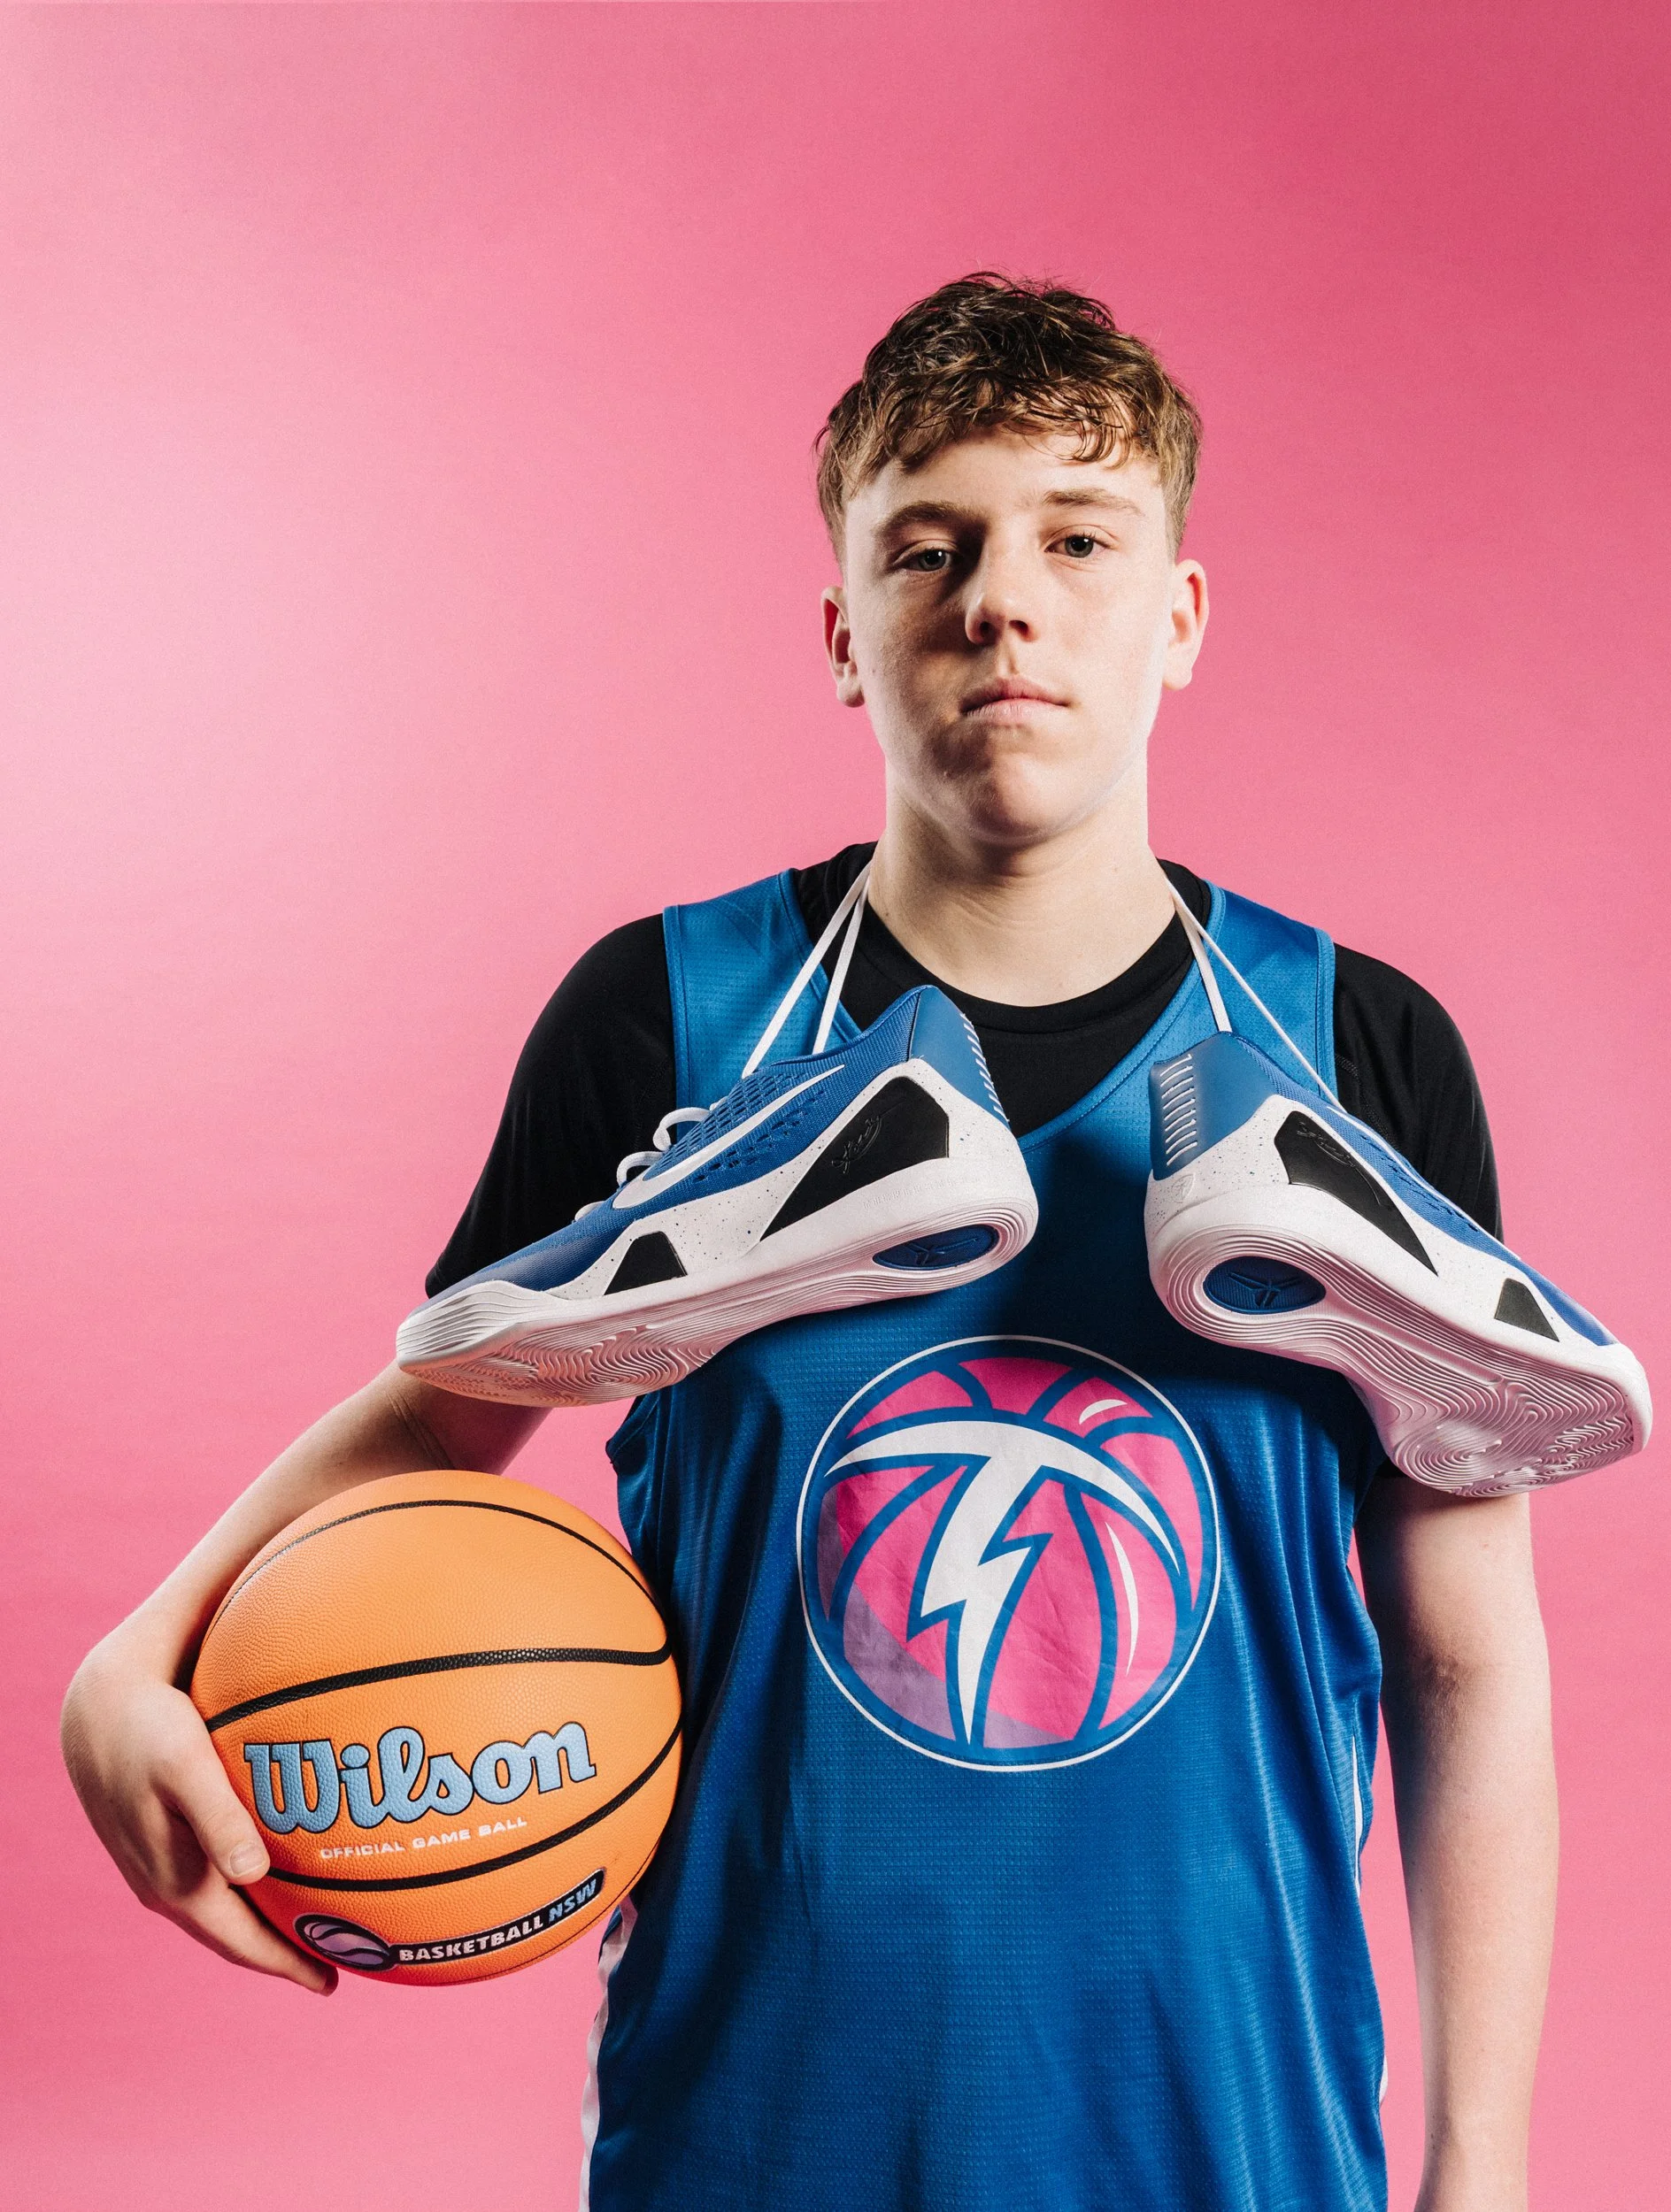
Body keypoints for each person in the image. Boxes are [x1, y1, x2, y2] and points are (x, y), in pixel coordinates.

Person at [64, 275, 1559, 2212]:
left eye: (1076, 540)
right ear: (844, 632)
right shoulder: (671, 1021)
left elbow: (1466, 1663)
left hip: (1231, 2127)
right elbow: (442, 1417)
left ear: (1176, 618)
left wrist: (1485, 2165)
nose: (1000, 600)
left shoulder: (1357, 1046)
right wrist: (137, 1650)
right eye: (924, 548)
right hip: (755, 2127)